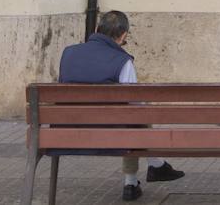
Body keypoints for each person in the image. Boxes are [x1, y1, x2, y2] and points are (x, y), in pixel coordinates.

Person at [58, 11, 186, 200]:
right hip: (112, 134)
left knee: (131, 116)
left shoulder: (68, 53)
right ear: (123, 35)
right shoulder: (122, 61)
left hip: (64, 132)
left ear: (97, 30)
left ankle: (154, 167)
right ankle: (137, 177)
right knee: (135, 116)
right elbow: (134, 106)